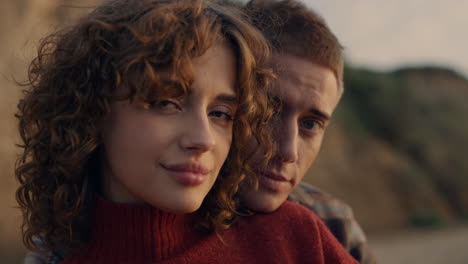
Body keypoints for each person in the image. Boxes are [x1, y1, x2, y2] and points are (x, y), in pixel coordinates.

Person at [16, 0, 359, 263]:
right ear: (92, 107)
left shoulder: (295, 237)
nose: (204, 138)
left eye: (222, 113)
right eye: (166, 102)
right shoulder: (54, 255)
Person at [240, 1, 375, 263]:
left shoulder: (335, 224)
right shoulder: (162, 212)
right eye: (268, 111)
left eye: (311, 124)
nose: (288, 151)